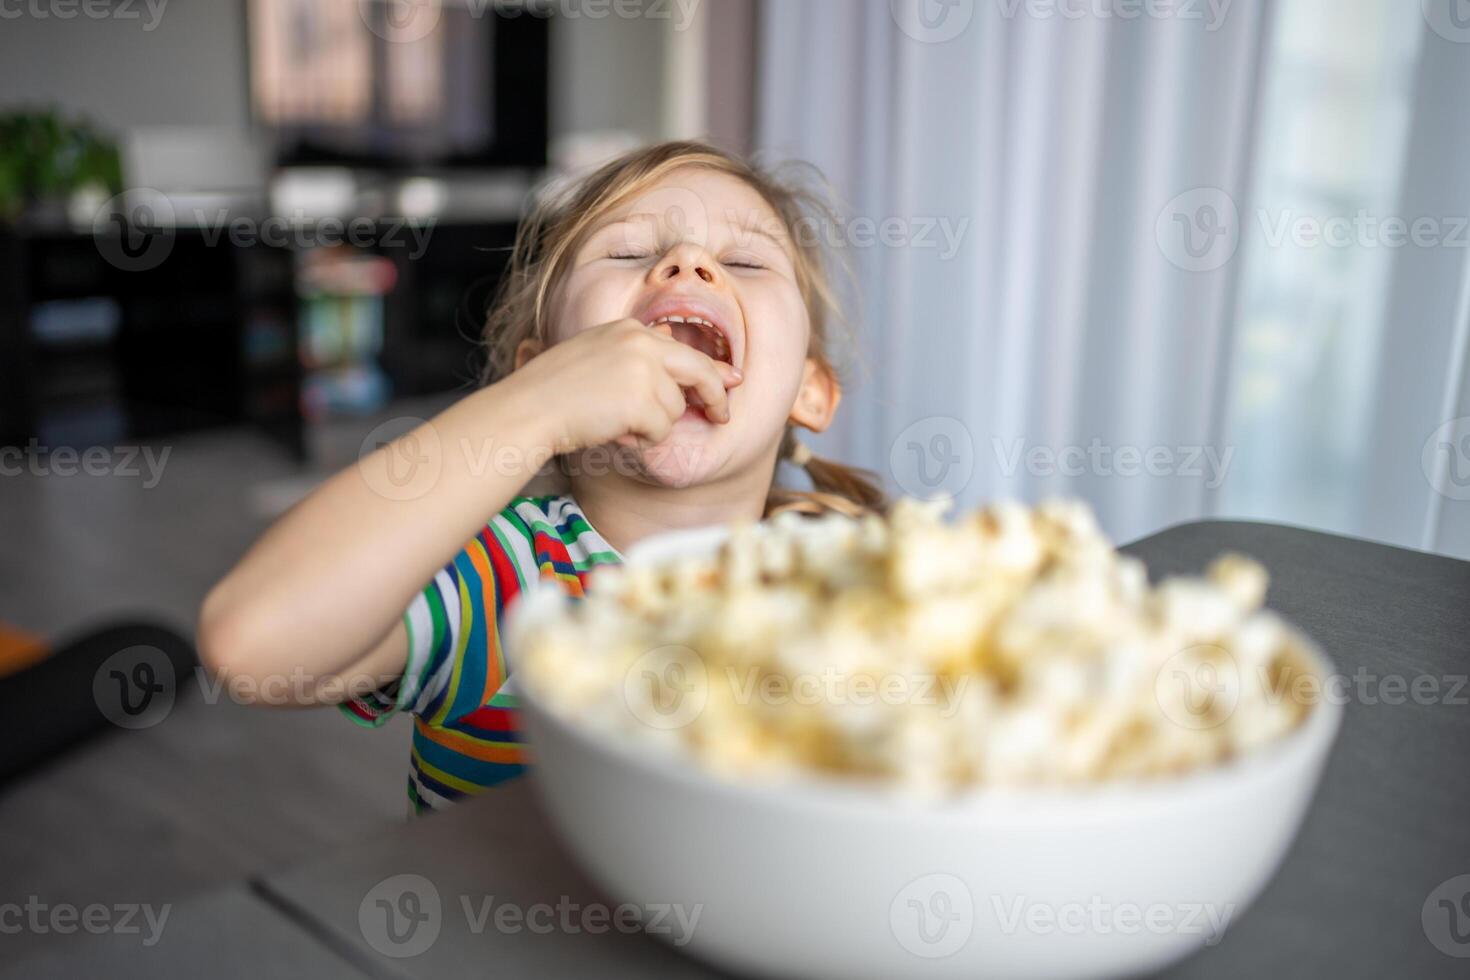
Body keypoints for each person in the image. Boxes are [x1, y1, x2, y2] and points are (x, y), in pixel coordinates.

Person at [199, 141, 884, 813]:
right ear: (545, 367)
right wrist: (533, 412)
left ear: (810, 390)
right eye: (627, 253)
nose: (690, 264)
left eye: (743, 259)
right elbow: (253, 641)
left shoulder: (854, 575)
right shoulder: (504, 579)